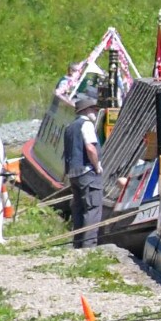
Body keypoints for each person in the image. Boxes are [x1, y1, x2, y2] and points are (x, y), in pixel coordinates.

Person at [64, 93, 104, 248]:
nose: (95, 112)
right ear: (87, 111)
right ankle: (89, 246)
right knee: (92, 209)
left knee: (79, 209)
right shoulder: (86, 125)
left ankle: (78, 244)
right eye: (94, 109)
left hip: (73, 174)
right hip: (87, 173)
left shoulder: (69, 127)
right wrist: (97, 166)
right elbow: (90, 148)